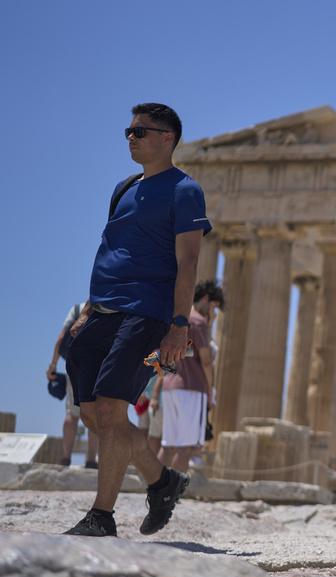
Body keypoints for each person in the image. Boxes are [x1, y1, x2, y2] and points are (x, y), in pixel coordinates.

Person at [63, 103, 211, 537]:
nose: (131, 137)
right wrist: (87, 310)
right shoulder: (123, 188)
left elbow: (188, 263)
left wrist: (178, 326)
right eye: (128, 131)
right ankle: (162, 481)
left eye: (140, 131)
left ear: (167, 138)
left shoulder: (185, 190)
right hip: (101, 310)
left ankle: (101, 516)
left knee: (112, 408)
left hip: (146, 311)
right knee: (93, 414)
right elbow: (111, 250)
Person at [158, 281, 222, 472]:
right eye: (214, 307)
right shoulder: (198, 322)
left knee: (168, 445)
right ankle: (174, 488)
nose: (213, 312)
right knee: (186, 448)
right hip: (191, 389)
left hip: (170, 387)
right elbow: (206, 361)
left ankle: (154, 484)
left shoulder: (179, 318)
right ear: (206, 299)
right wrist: (210, 391)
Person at [47, 301, 98, 468]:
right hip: (98, 365)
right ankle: (91, 460)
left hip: (75, 363)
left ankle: (66, 458)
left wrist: (53, 365)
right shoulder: (106, 304)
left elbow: (61, 338)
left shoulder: (77, 309)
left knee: (72, 413)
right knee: (94, 414)